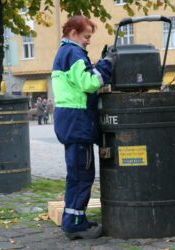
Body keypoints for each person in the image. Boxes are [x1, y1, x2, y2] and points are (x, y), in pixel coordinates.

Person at [52, 16, 115, 240]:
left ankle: (75, 218)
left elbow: (79, 81)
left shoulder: (64, 53)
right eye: (86, 37)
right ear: (73, 34)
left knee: (77, 173)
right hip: (77, 121)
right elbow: (88, 83)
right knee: (82, 174)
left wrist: (99, 63)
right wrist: (107, 64)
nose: (88, 41)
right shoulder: (74, 53)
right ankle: (74, 224)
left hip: (69, 120)